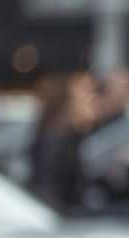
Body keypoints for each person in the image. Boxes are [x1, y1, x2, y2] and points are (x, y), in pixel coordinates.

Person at [29, 70, 97, 209]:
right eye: (86, 92)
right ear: (68, 98)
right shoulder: (55, 138)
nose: (92, 97)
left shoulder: (71, 136)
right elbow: (47, 185)